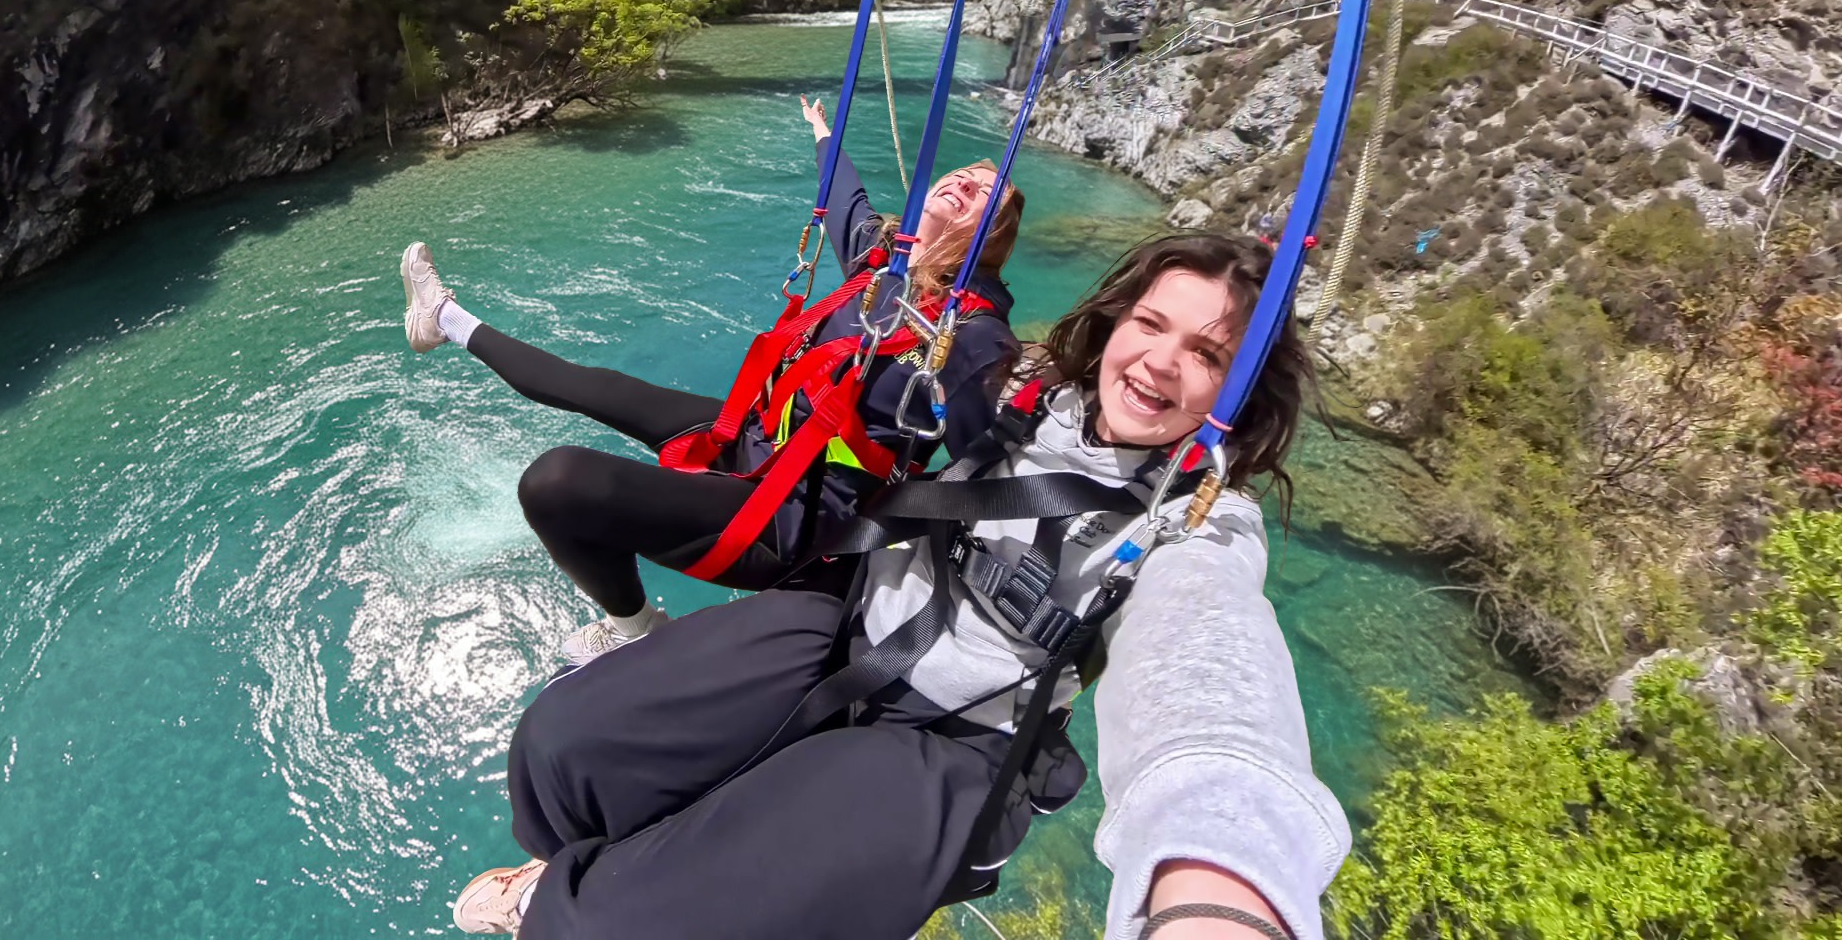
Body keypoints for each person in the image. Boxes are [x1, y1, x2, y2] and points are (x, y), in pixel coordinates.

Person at [450, 232, 1350, 940]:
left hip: (961, 744)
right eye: (1151, 324)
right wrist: (956, 247)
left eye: (1207, 353)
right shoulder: (1027, 391)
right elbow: (919, 287)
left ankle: (579, 908)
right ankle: (572, 870)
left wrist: (1218, 874)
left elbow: (1210, 664)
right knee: (563, 745)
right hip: (848, 633)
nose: (1159, 361)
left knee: (639, 927)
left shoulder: (1202, 522)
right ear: (1116, 323)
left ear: (1241, 391)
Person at [400, 99, 1025, 666]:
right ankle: (444, 320)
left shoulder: (972, 333)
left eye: (983, 194)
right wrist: (825, 135)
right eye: (961, 174)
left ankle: (631, 629)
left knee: (557, 482)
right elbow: (845, 201)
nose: (964, 181)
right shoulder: (883, 262)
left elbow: (990, 464)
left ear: (992, 239)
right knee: (594, 385)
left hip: (797, 521)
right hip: (759, 443)